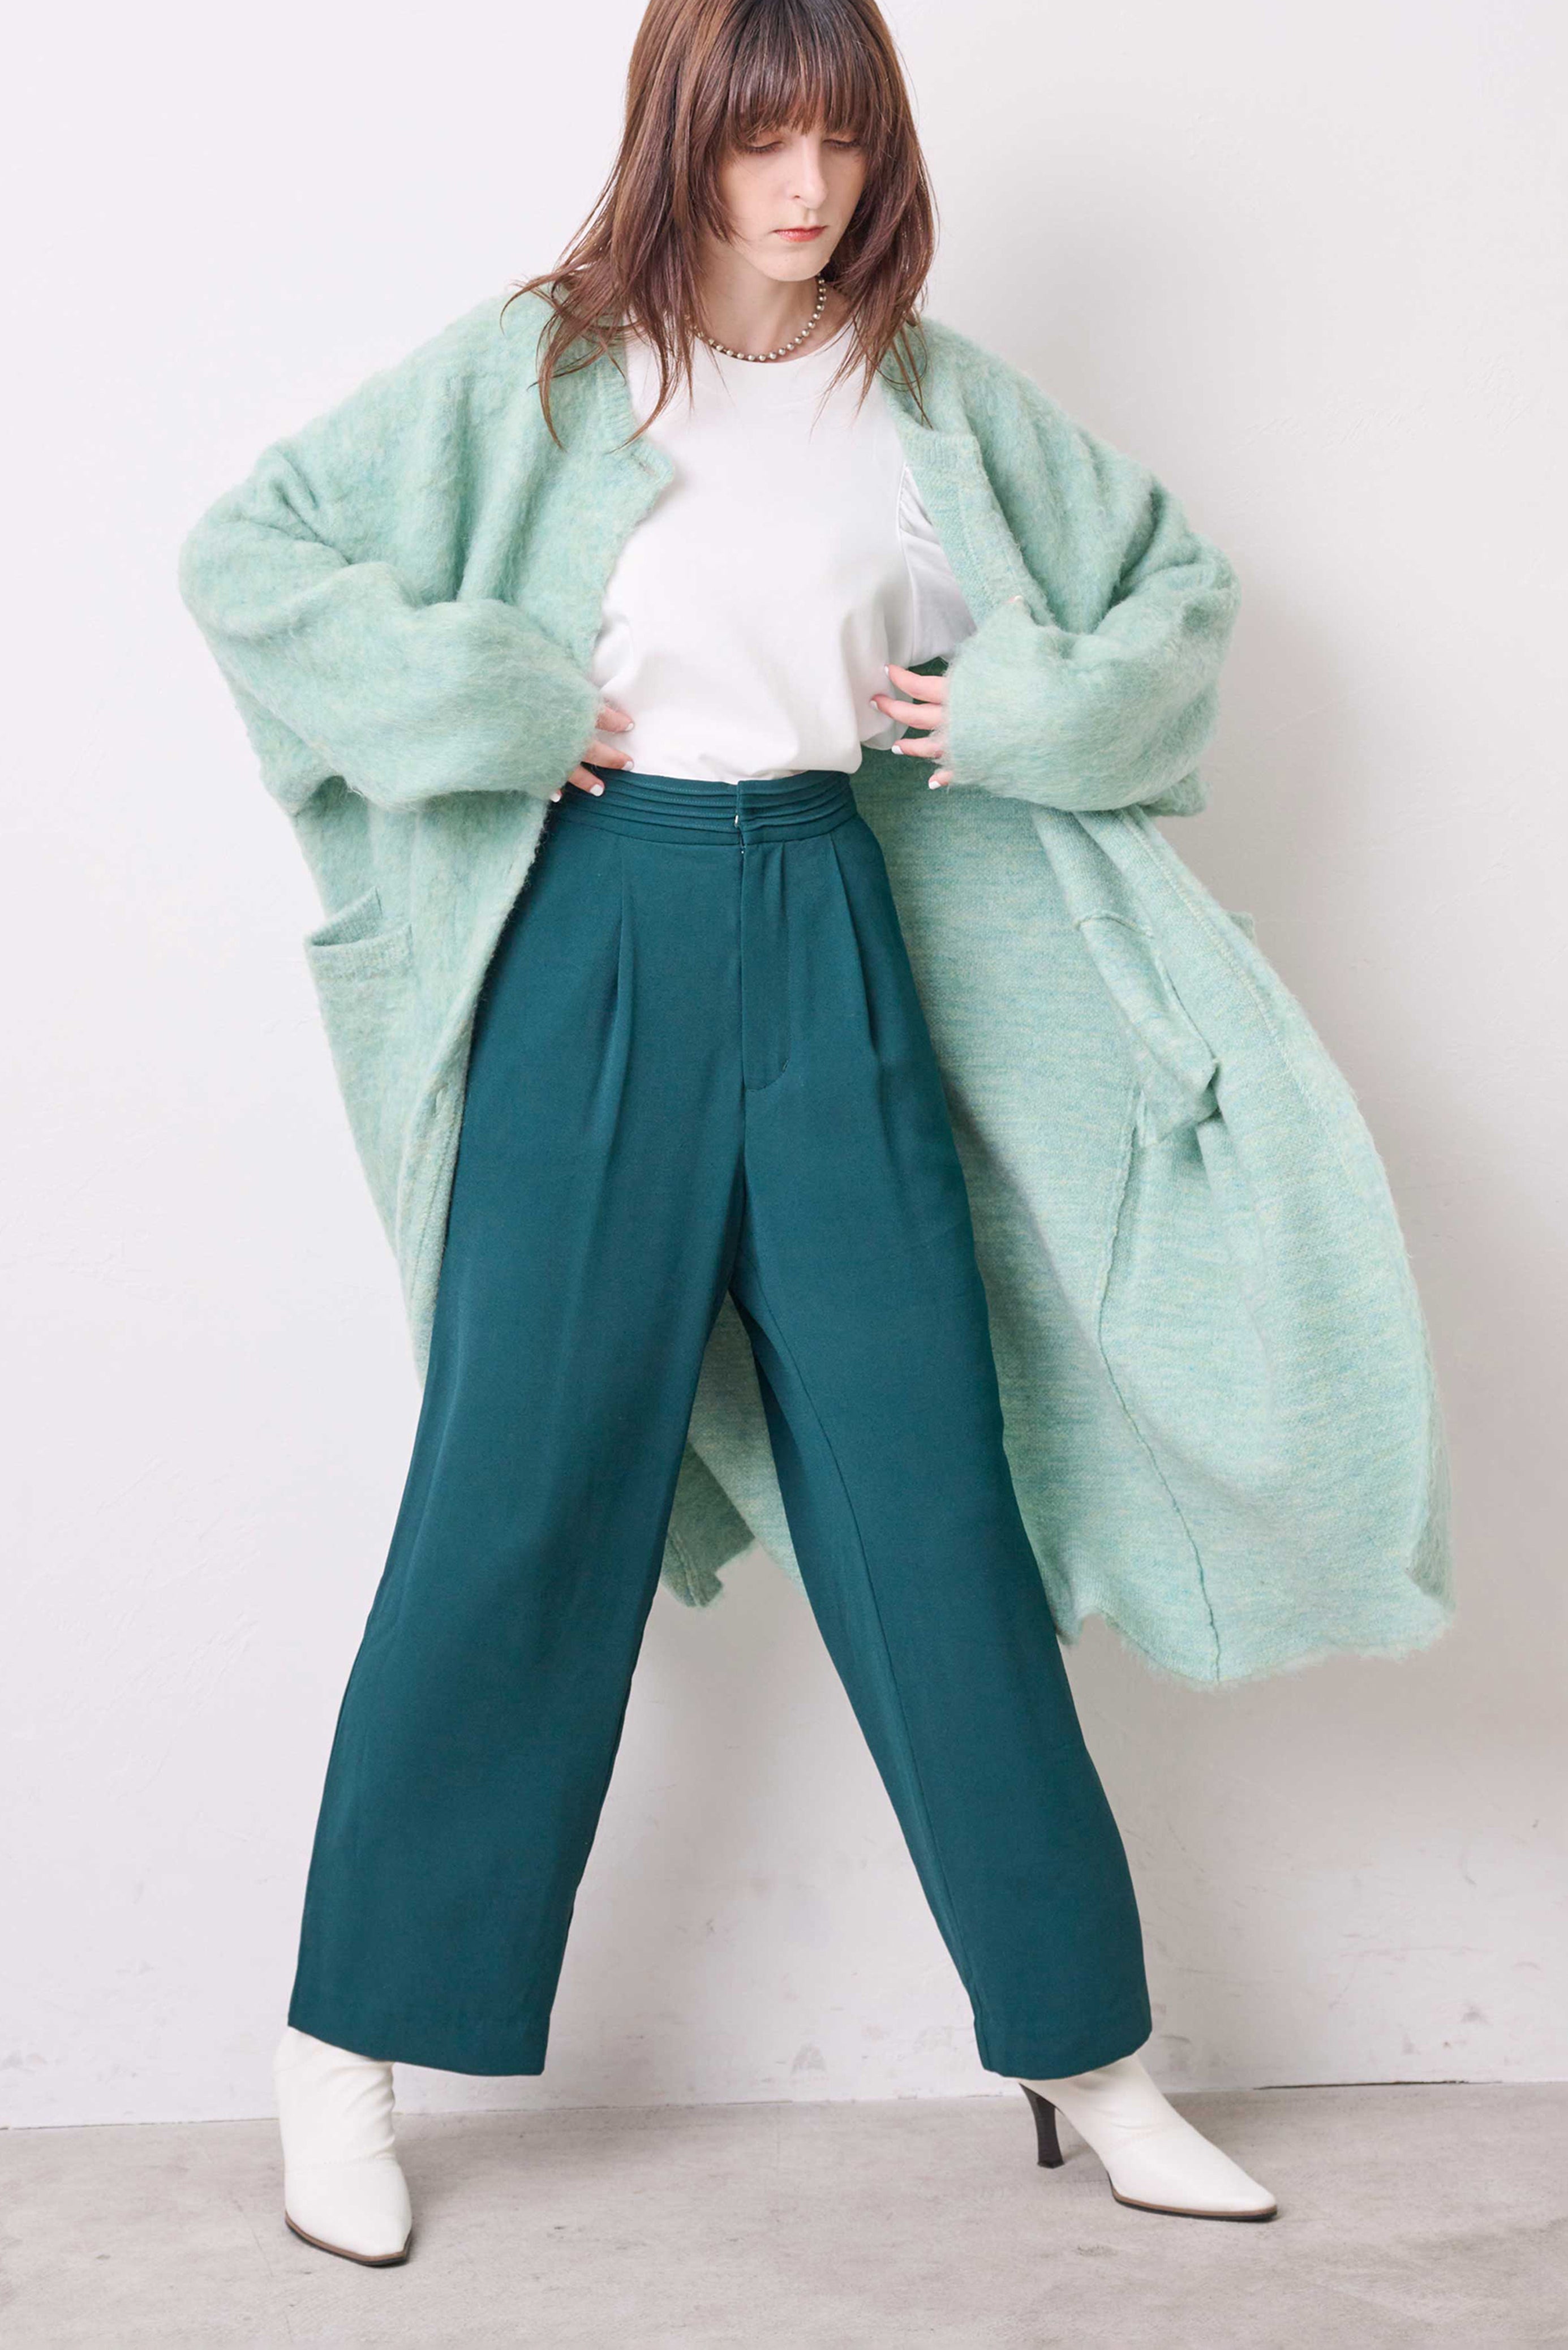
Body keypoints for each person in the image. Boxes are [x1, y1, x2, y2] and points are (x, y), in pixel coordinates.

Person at [176, 0, 1309, 2267]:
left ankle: (1088, 2055)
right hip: (595, 941)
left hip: (827, 927)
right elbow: (251, 554)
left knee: (932, 1501)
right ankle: (343, 2051)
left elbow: (1174, 593)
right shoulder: (547, 370)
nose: (802, 189)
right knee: (517, 1496)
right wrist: (487, 694)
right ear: (679, 140)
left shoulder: (931, 397)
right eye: (758, 142)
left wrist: (1030, 705)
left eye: (841, 143)